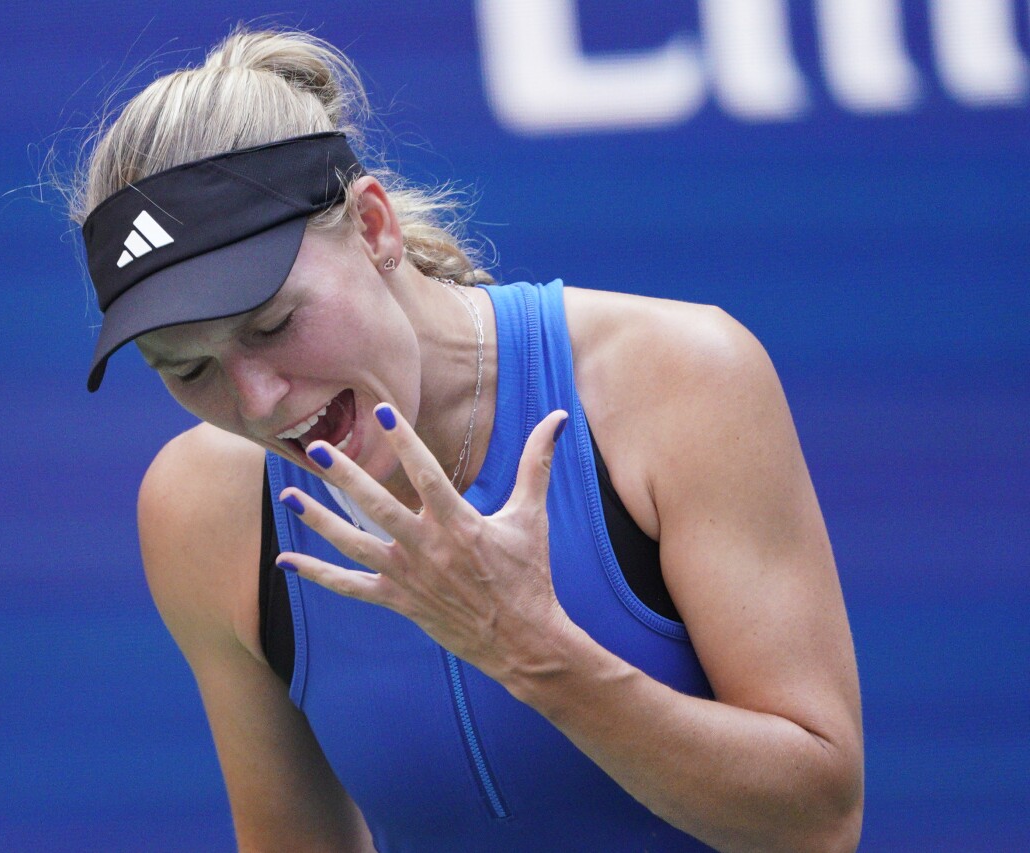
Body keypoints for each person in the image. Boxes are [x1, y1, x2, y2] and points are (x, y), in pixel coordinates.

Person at [68, 26, 863, 852]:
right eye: (188, 370)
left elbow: (818, 820)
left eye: (273, 323)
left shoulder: (679, 379)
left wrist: (532, 649)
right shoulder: (203, 507)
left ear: (375, 227)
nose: (257, 400)